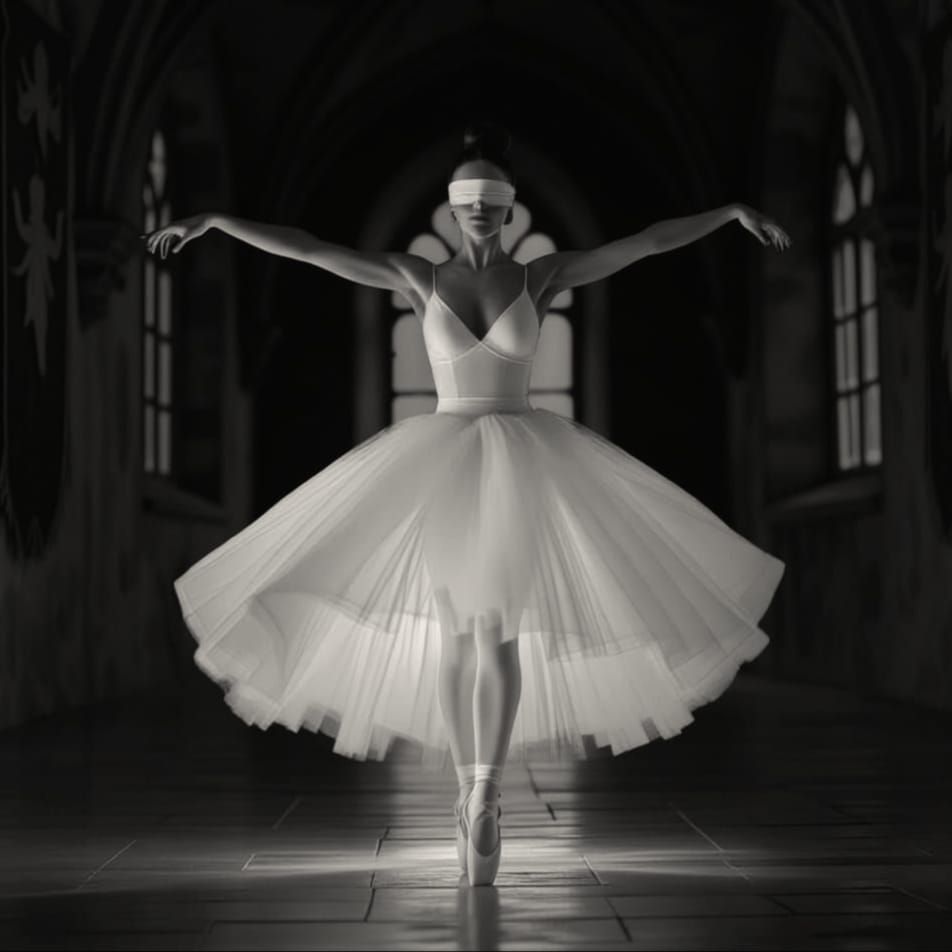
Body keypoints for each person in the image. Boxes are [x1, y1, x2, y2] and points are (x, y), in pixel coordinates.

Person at [144, 120, 791, 887]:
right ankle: (467, 791)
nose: (478, 210)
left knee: (501, 634)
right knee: (459, 635)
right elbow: (314, 248)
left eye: (491, 199)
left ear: (509, 207)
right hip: (441, 465)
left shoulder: (543, 276)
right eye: (466, 200)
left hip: (527, 463)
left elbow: (645, 242)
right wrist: (218, 220)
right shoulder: (418, 278)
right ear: (452, 209)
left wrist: (725, 214)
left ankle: (488, 790)